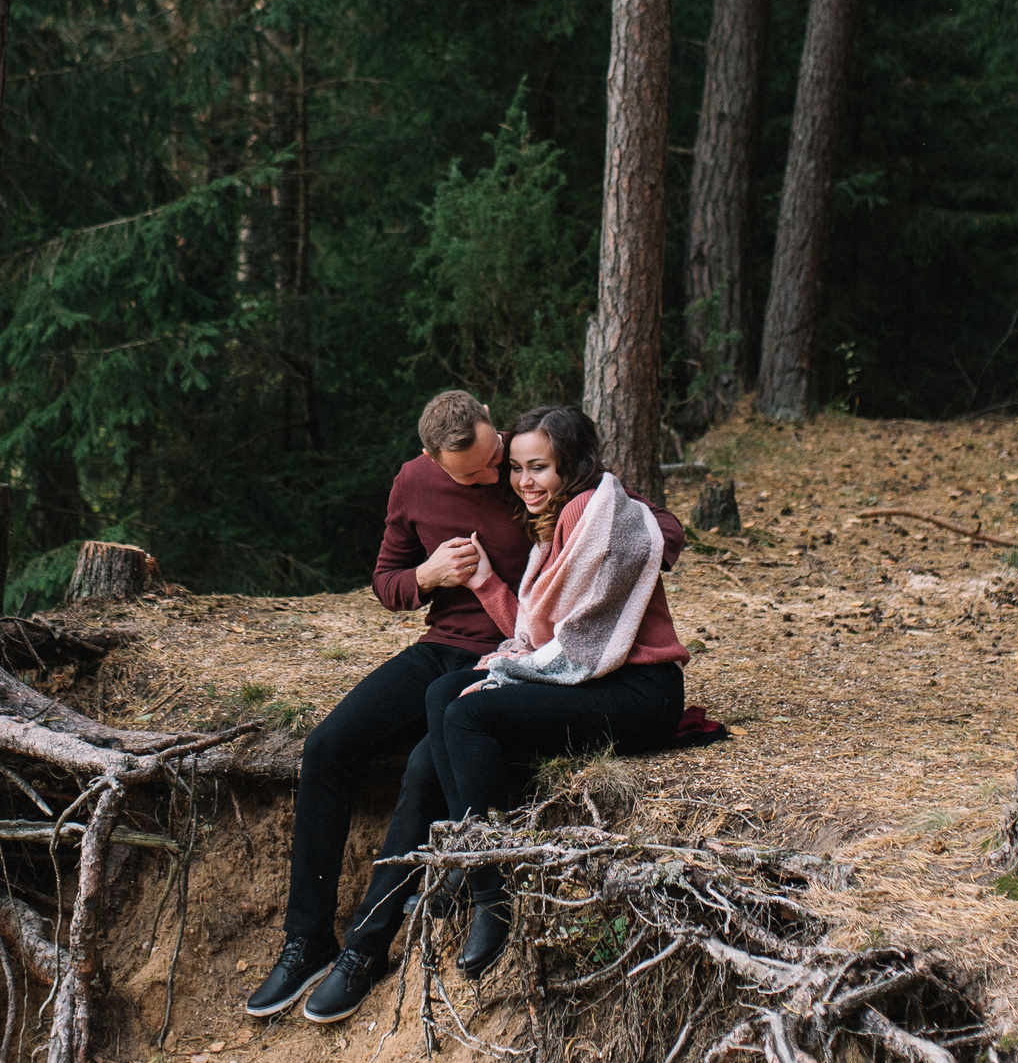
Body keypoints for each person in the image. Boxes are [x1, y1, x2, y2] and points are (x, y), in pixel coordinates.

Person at [244, 389, 531, 1022]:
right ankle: (307, 940)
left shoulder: (530, 468)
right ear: (432, 459)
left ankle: (366, 948)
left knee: (424, 771)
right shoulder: (414, 483)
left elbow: (638, 522)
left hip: (515, 657)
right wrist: (429, 577)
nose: (494, 475)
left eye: (494, 457)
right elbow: (387, 584)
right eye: (475, 473)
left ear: (491, 420)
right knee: (326, 747)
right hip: (440, 648)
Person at [428, 404, 693, 977]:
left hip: (639, 692)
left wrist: (500, 680)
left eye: (540, 467)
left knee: (468, 714)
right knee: (443, 694)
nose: (525, 481)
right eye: (518, 467)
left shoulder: (596, 517)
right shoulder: (558, 526)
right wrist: (483, 583)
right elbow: (537, 633)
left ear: (570, 465)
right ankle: (471, 854)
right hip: (599, 679)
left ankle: (490, 896)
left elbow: (577, 649)